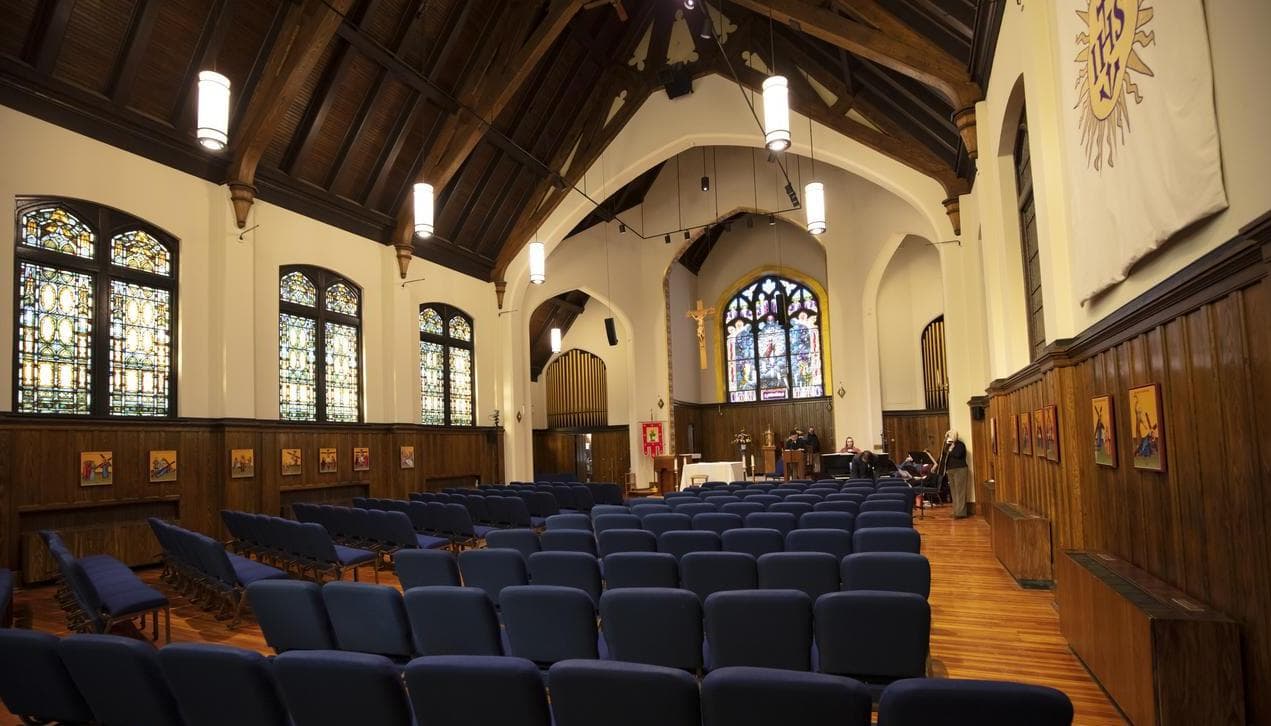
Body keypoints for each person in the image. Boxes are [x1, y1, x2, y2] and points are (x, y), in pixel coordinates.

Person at [935, 430, 969, 518]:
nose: (948, 437)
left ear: (954, 436)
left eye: (949, 435)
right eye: (947, 436)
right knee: (953, 492)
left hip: (960, 469)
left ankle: (961, 513)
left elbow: (958, 455)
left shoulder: (960, 445)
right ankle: (956, 511)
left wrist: (951, 449)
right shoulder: (947, 446)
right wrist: (936, 465)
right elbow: (942, 457)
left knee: (960, 491)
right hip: (950, 470)